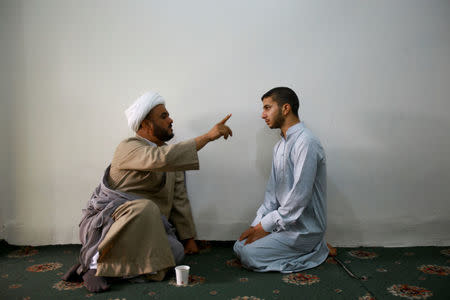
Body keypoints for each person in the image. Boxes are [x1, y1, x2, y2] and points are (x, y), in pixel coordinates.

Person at [63, 91, 232, 292]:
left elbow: (178, 199)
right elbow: (158, 159)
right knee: (145, 207)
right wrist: (207, 137)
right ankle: (93, 265)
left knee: (175, 252)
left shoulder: (171, 156)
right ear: (145, 124)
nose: (171, 120)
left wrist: (188, 238)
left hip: (148, 227)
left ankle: (111, 270)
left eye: (168, 115)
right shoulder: (128, 147)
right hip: (108, 224)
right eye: (163, 116)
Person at [233, 87, 329, 273]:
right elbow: (271, 196)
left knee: (249, 255)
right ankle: (309, 249)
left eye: (267, 108)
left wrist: (266, 227)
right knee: (239, 246)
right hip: (283, 225)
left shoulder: (306, 142)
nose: (263, 115)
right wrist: (256, 226)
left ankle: (316, 250)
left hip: (304, 229)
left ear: (285, 109)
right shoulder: (279, 147)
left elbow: (299, 197)